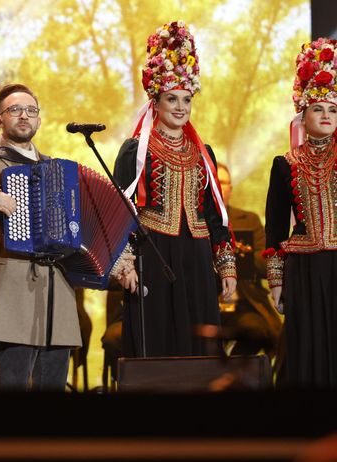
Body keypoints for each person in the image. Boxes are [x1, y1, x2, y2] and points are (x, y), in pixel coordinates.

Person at [0, 83, 136, 392]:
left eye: (31, 110)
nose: (24, 116)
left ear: (39, 120)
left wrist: (117, 262)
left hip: (57, 295)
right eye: (14, 110)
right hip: (13, 292)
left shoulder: (55, 170)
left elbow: (84, 232)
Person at [114, 21, 237, 358]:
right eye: (172, 99)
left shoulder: (203, 153)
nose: (181, 107)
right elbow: (119, 212)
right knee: (156, 343)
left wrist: (226, 268)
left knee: (199, 343)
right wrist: (125, 266)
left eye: (186, 99)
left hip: (196, 258)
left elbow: (214, 215)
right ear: (156, 101)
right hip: (153, 255)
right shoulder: (135, 151)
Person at [263, 37, 337, 388]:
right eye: (318, 109)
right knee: (306, 353)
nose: (326, 116)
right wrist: (276, 281)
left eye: (333, 110)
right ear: (302, 115)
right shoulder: (285, 164)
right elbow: (275, 228)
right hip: (304, 271)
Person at [216, 162, 282, 358]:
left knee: (257, 330)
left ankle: (234, 373)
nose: (220, 187)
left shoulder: (249, 220)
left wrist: (241, 255)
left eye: (224, 182)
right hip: (204, 305)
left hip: (245, 304)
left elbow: (265, 264)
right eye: (215, 182)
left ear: (231, 189)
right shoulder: (195, 222)